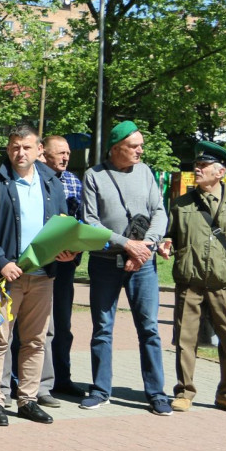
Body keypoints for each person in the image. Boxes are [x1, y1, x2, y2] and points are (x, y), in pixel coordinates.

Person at [0, 126, 73, 427]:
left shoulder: (52, 184)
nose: (20, 153)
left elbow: (62, 225)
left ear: (39, 150)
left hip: (43, 277)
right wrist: (1, 262)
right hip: (6, 279)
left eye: (27, 148)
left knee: (35, 341)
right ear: (8, 149)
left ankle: (28, 400)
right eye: (15, 147)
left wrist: (67, 250)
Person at [81, 121, 171, 415]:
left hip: (143, 263)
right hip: (106, 262)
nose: (140, 151)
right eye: (135, 146)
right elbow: (91, 221)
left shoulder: (145, 172)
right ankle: (100, 389)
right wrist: (126, 243)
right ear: (116, 147)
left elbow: (159, 211)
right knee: (103, 328)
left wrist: (145, 246)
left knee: (149, 328)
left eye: (140, 145)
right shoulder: (94, 175)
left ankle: (156, 393)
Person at [160, 142, 226, 415]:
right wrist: (168, 243)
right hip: (190, 281)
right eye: (196, 166)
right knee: (185, 340)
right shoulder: (182, 203)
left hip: (225, 282)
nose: (196, 171)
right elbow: (172, 235)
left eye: (203, 167)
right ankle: (184, 392)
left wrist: (224, 262)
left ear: (220, 171)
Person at [37, 135, 87, 398]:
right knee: (35, 326)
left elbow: (79, 221)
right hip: (37, 262)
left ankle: (62, 377)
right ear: (43, 153)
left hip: (65, 264)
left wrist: (75, 252)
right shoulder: (33, 178)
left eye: (68, 153)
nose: (66, 157)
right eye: (61, 153)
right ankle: (26, 379)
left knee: (62, 324)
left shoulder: (72, 181)